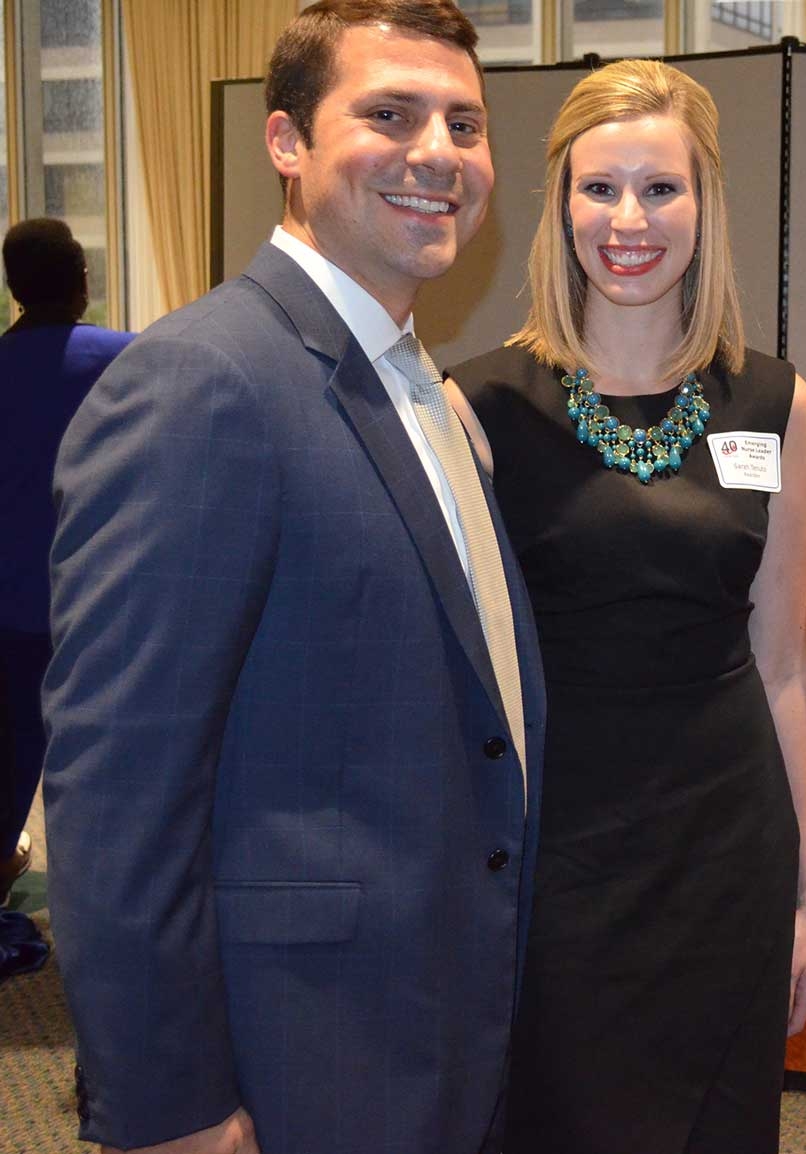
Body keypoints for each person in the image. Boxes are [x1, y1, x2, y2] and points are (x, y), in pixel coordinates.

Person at [43, 4, 543, 1153]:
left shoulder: (424, 390)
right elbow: (118, 786)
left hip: (432, 1019)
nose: (438, 153)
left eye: (464, 124)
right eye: (390, 115)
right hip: (295, 1054)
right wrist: (166, 1105)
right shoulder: (202, 382)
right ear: (286, 141)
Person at [447, 58, 806, 1154]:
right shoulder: (479, 406)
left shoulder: (776, 400)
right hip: (559, 856)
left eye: (661, 188)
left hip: (727, 852)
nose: (629, 221)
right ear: (560, 203)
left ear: (705, 204)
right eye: (599, 187)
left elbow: (782, 659)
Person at [0, 218, 132, 911]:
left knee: (12, 754)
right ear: (82, 281)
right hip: (99, 602)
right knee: (103, 761)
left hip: (9, 607)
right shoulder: (129, 360)